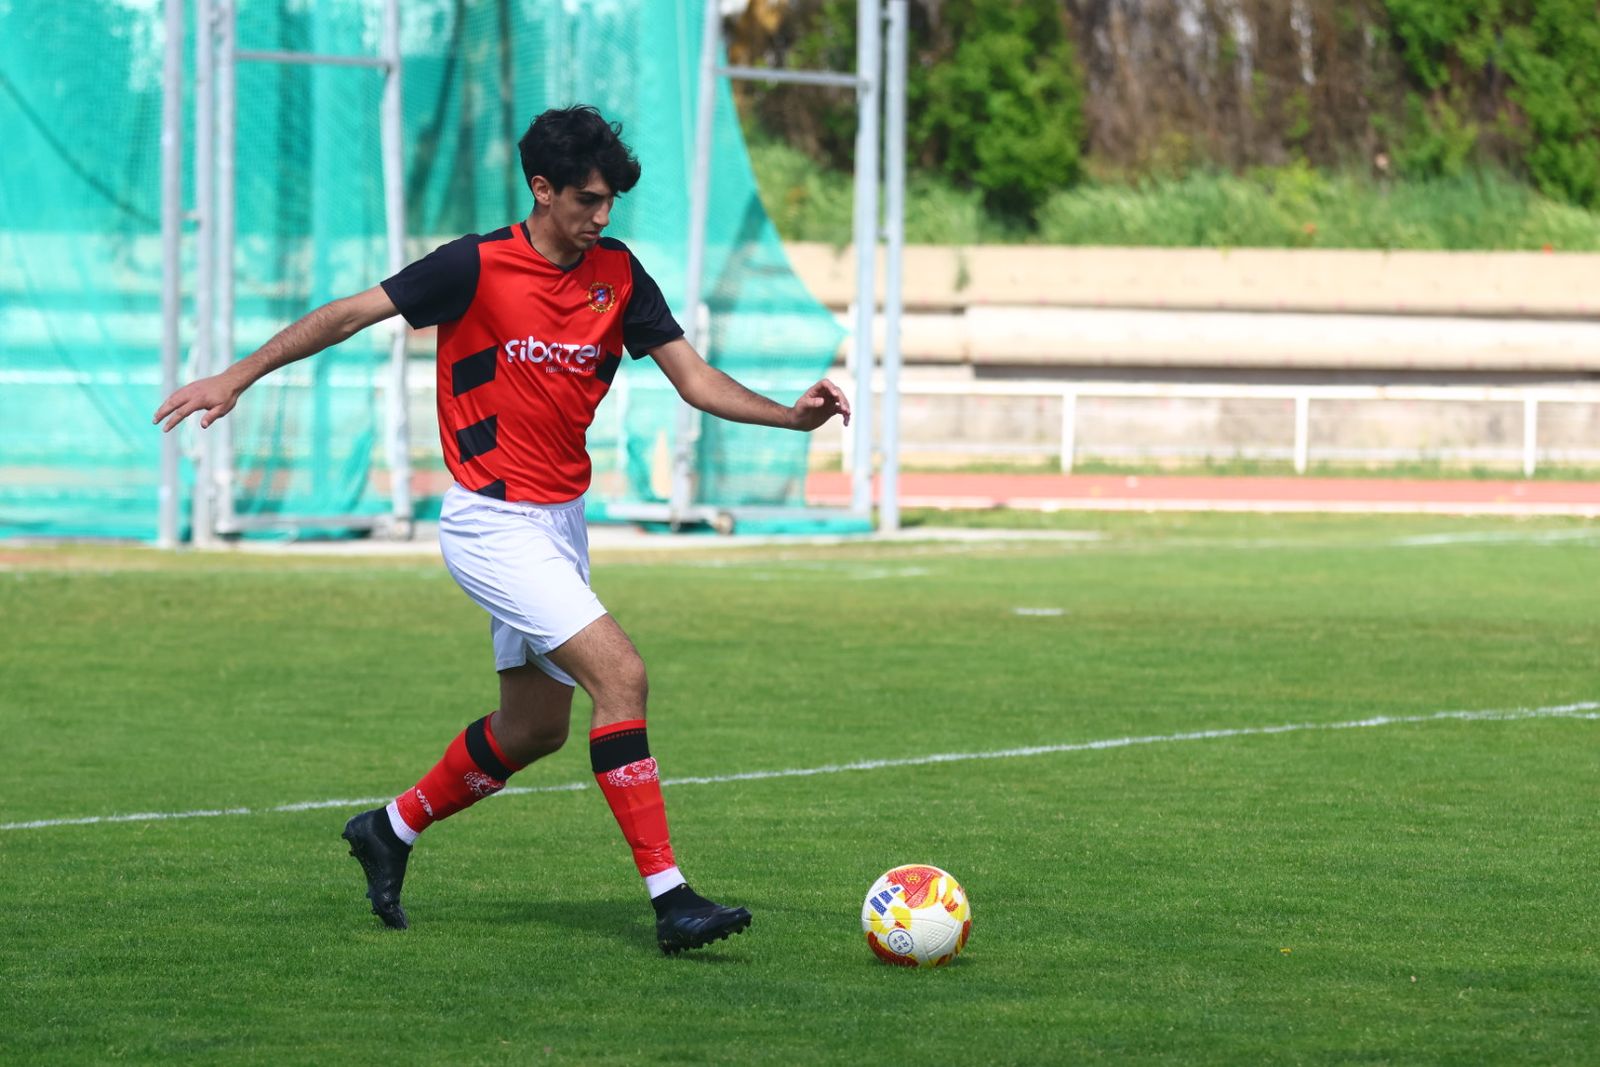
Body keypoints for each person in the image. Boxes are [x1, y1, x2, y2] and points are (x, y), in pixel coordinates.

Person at [153, 105, 850, 954]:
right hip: (491, 522)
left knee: (534, 729)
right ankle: (673, 900)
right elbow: (347, 313)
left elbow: (693, 378)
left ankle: (390, 828)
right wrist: (239, 374)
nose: (601, 217)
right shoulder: (474, 266)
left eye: (612, 203)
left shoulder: (619, 275)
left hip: (560, 525)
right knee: (622, 676)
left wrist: (790, 416)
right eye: (588, 200)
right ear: (542, 188)